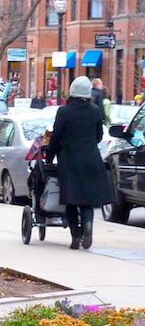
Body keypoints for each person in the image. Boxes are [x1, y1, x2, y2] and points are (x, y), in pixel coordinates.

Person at [46, 76, 113, 250]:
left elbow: (56, 137)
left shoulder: (64, 111)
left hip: (69, 159)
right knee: (87, 200)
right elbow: (99, 135)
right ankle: (88, 226)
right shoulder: (95, 110)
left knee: (70, 200)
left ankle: (76, 236)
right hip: (91, 158)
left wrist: (49, 156)